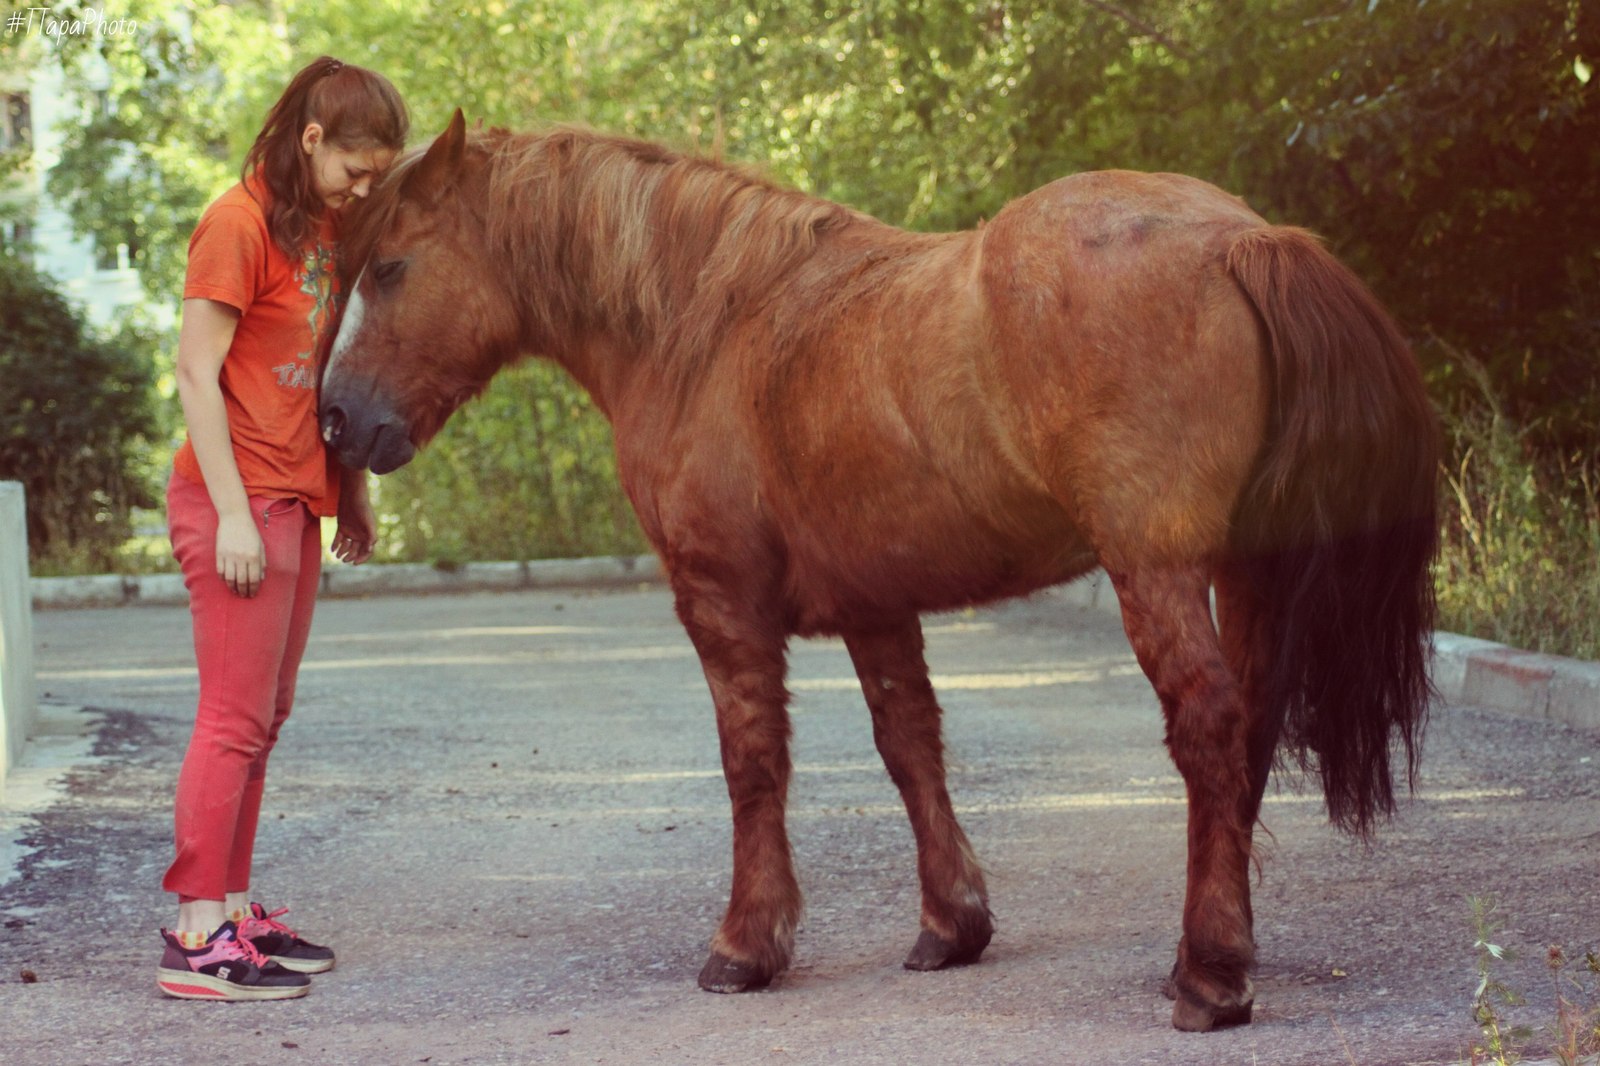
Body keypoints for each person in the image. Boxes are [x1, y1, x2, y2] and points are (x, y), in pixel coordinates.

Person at [155, 56, 408, 1001]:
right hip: (237, 503)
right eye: (356, 168)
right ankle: (194, 935)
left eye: (378, 172)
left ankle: (230, 903)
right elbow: (194, 374)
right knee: (230, 718)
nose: (365, 185)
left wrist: (354, 494)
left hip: (294, 498)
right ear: (311, 141)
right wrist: (230, 515)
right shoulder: (236, 222)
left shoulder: (324, 229)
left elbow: (331, 371)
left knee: (265, 718)